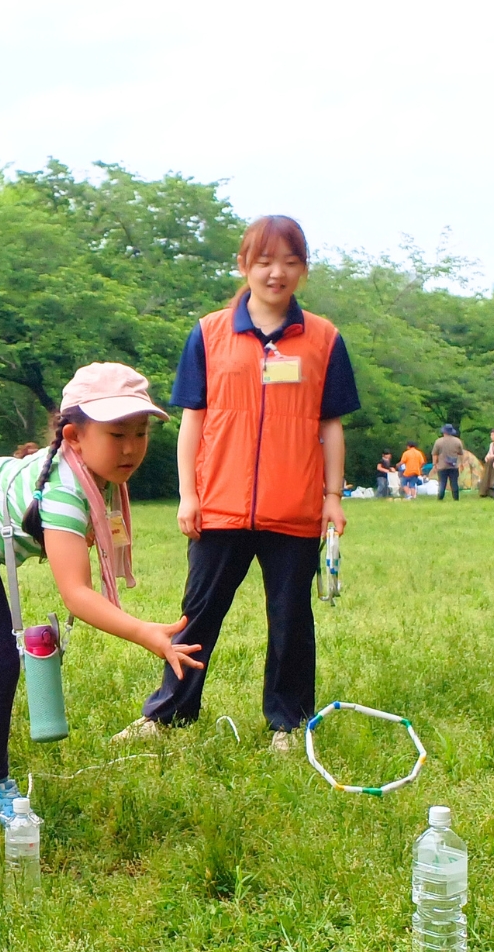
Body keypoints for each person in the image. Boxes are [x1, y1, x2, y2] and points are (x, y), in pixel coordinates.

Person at [0, 364, 201, 821]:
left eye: (140, 432)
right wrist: (142, 632)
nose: (131, 447)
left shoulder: (96, 475)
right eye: (116, 434)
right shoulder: (64, 492)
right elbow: (76, 594)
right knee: (0, 660)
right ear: (73, 437)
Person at [118, 214, 360, 752]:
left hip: (294, 507)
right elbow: (192, 421)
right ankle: (169, 714)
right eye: (265, 261)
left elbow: (331, 425)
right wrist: (188, 493)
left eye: (290, 262)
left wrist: (332, 498)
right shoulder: (209, 333)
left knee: (291, 621)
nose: (277, 273)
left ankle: (289, 725)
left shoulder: (323, 339)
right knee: (197, 613)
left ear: (303, 269)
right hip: (219, 504)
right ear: (244, 265)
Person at [432, 424, 464, 501]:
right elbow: (461, 454)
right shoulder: (457, 441)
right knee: (454, 483)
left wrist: (434, 464)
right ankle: (456, 498)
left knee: (442, 483)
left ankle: (440, 497)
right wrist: (461, 463)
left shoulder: (438, 442)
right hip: (454, 466)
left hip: (442, 466)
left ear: (444, 432)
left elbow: (435, 454)